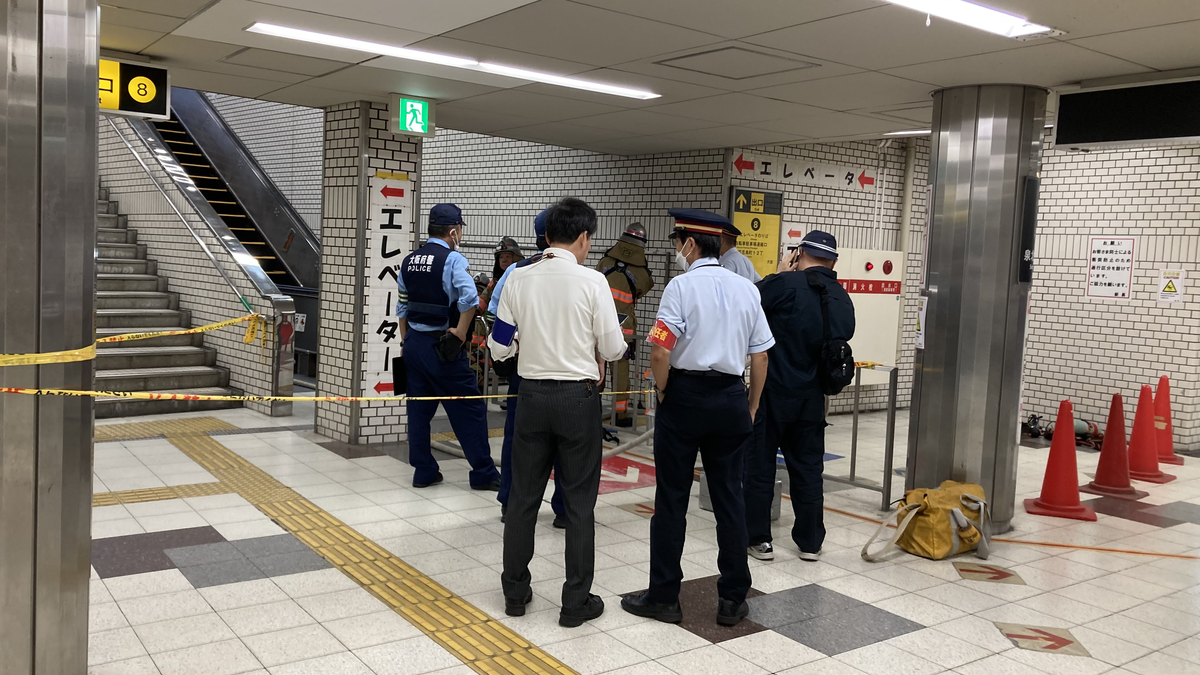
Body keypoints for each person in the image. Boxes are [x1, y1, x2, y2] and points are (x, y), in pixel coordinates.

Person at [620, 209, 773, 628]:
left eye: (677, 243)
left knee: (672, 499)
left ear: (690, 244)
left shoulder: (680, 287)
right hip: (730, 398)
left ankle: (665, 597)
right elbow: (760, 356)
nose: (676, 251)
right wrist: (752, 405)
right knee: (729, 498)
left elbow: (659, 351)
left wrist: (666, 391)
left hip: (684, 397)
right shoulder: (747, 290)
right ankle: (732, 598)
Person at [489, 197, 627, 628]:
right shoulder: (592, 283)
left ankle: (515, 593)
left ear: (547, 235)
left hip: (529, 398)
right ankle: (575, 603)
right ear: (584, 237)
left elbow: (498, 346)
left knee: (523, 498)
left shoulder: (518, 278)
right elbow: (613, 348)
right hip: (578, 401)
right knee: (580, 503)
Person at [744, 231, 854, 562]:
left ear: (798, 253)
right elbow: (844, 335)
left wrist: (779, 272)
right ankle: (810, 542)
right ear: (834, 261)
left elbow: (749, 302)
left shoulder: (784, 284)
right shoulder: (841, 297)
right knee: (807, 468)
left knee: (760, 466)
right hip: (812, 398)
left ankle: (760, 540)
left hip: (772, 392)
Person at [396, 203, 501, 491]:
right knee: (470, 408)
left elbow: (401, 307)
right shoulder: (453, 260)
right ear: (453, 231)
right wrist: (460, 332)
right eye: (461, 230)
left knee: (418, 409)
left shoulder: (409, 260)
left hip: (413, 345)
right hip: (443, 346)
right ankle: (484, 473)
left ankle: (423, 471)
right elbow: (469, 299)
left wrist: (406, 341)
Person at [489, 211, 566, 529]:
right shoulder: (581, 275)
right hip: (567, 372)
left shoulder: (515, 273)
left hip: (525, 369)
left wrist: (504, 355)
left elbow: (497, 320)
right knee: (566, 441)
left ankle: (511, 501)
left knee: (518, 438)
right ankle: (564, 508)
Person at [595, 223, 655, 427]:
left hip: (599, 324)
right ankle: (620, 415)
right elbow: (644, 288)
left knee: (596, 366)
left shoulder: (604, 262)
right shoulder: (641, 273)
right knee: (620, 372)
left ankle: (592, 407)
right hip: (624, 328)